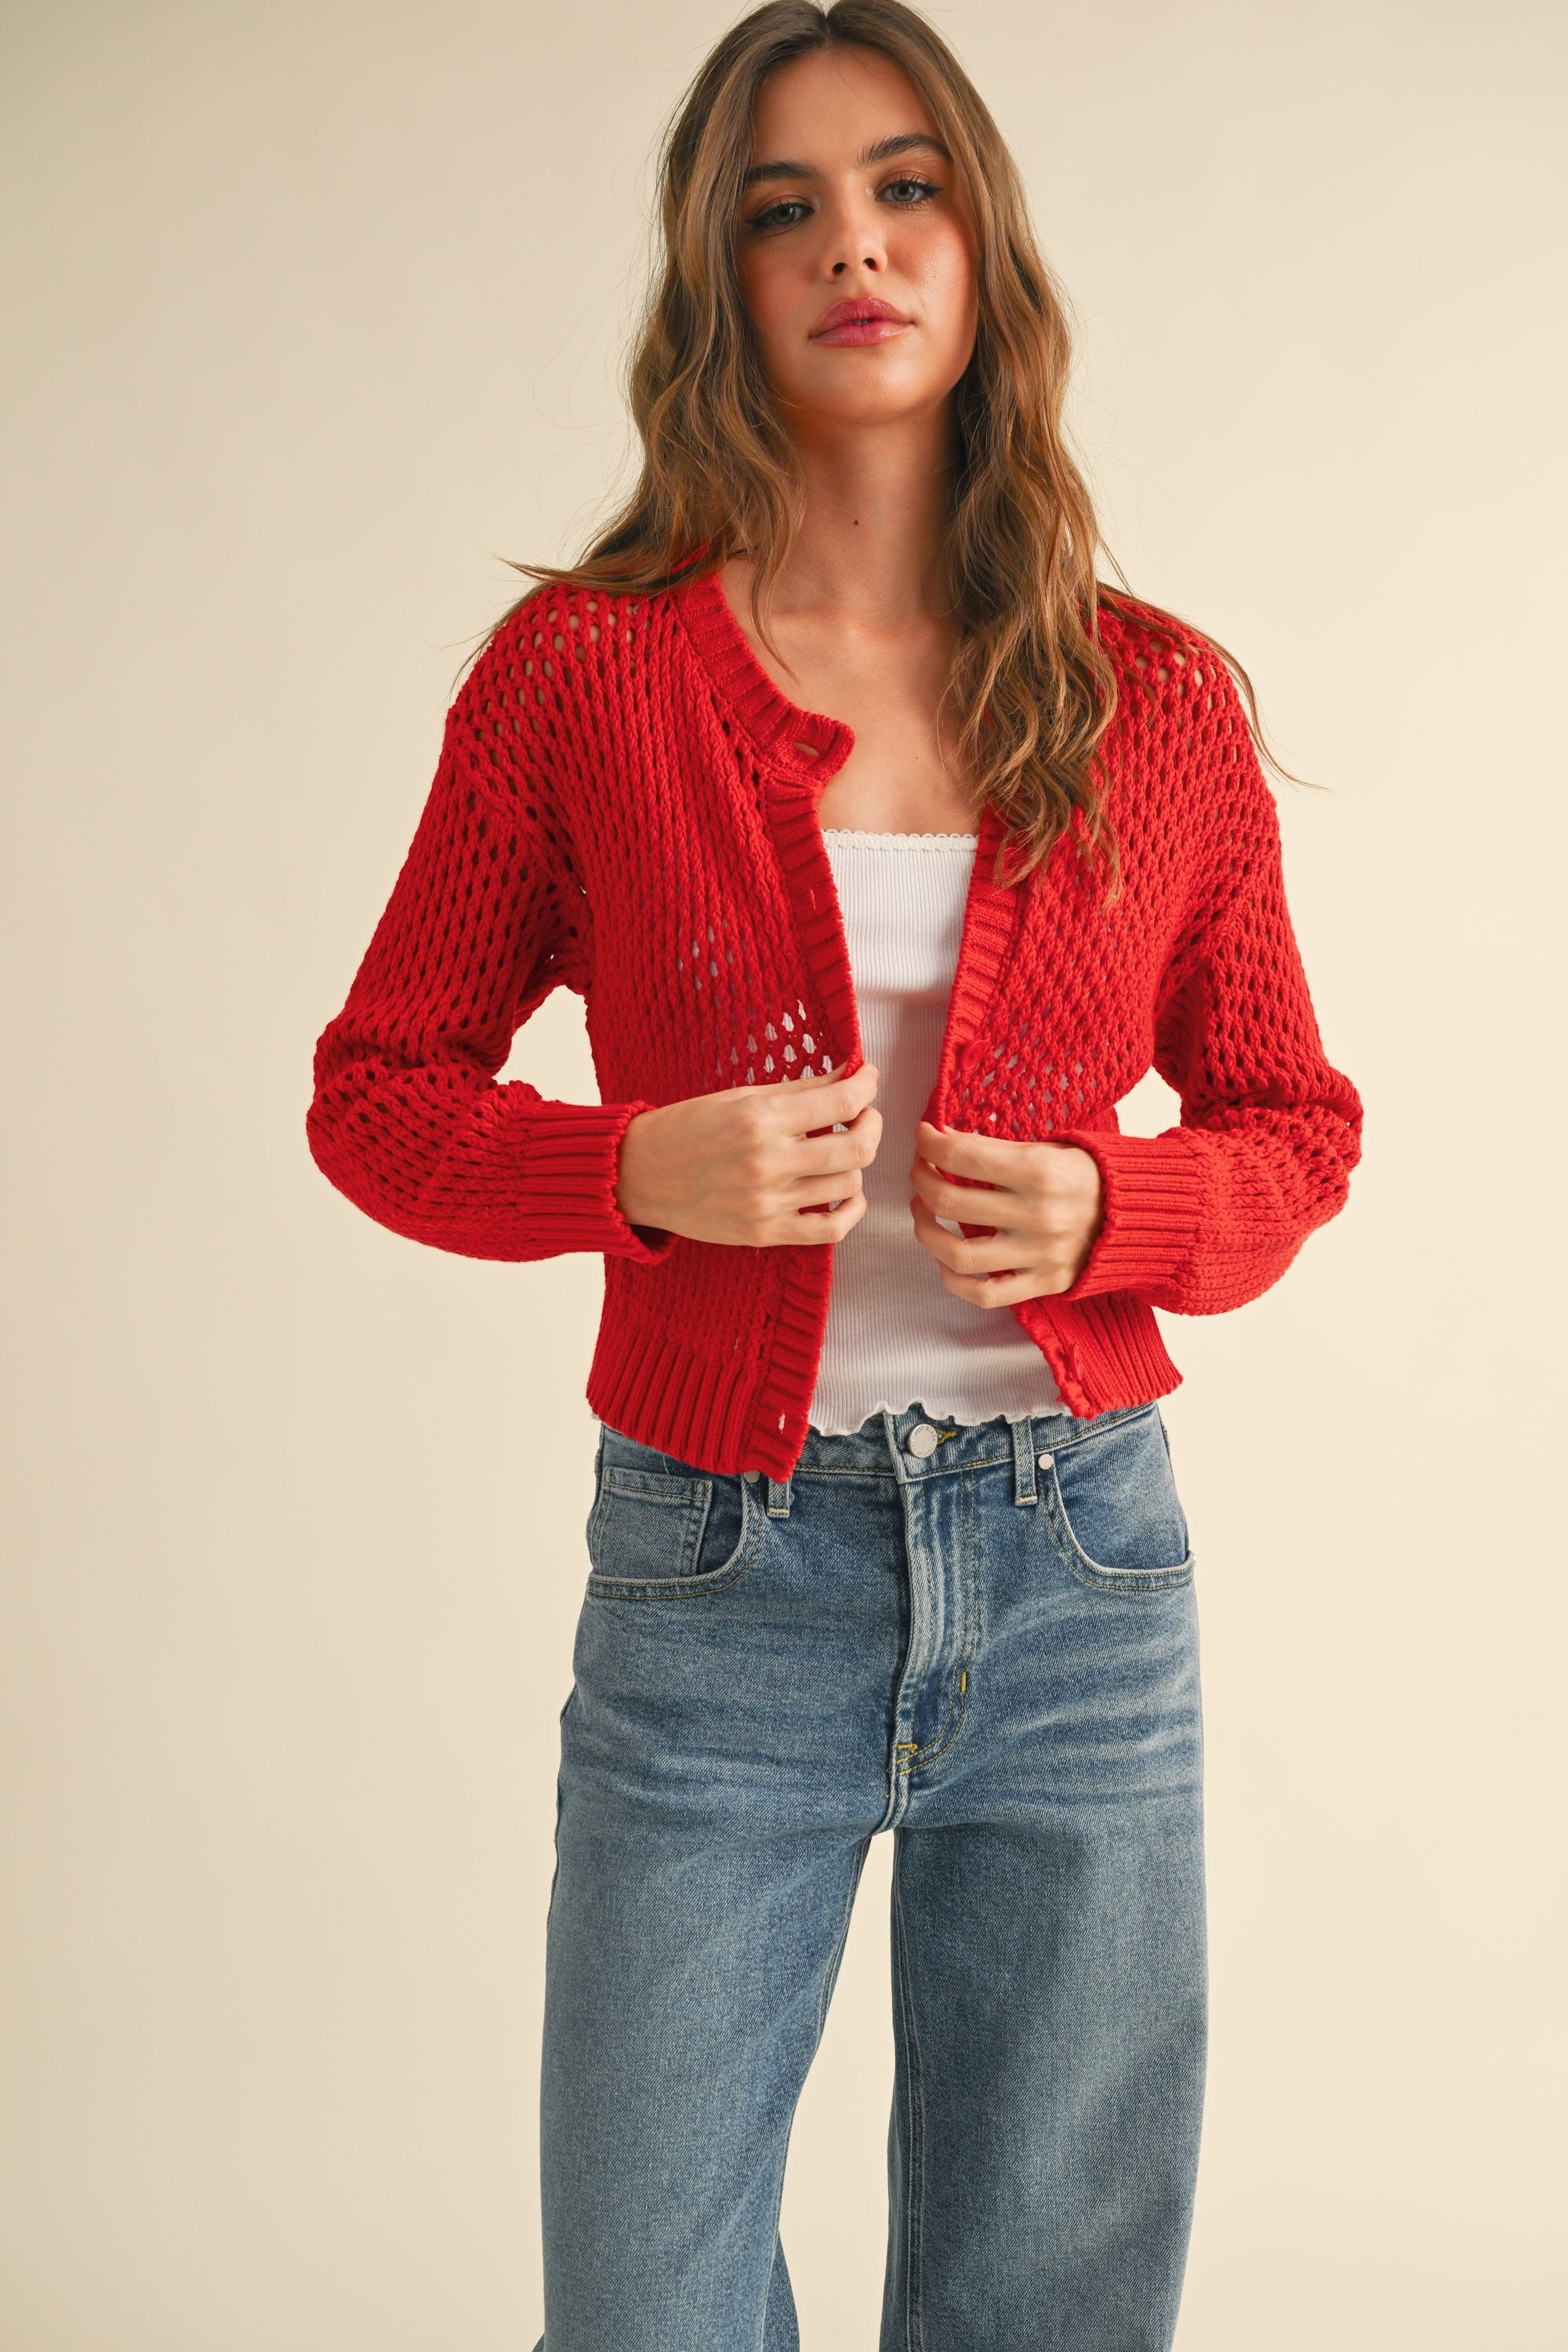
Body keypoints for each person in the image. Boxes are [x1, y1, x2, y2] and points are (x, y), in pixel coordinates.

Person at [306, 3, 1363, 2344]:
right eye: (781, 208)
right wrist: (631, 1170)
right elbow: (379, 1093)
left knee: (1051, 2298)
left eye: (905, 188)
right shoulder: (581, 679)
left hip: (1082, 1565)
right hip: (720, 1569)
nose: (853, 247)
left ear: (983, 247)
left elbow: (1298, 1123)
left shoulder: (1153, 699)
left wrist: (1122, 1215)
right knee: (646, 2301)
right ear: (720, 278)